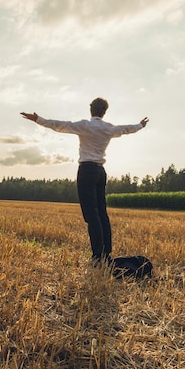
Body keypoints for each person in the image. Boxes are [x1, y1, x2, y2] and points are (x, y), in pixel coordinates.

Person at [20, 98, 149, 264]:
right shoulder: (108, 128)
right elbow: (126, 129)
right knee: (102, 212)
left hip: (87, 170)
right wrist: (140, 125)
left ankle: (97, 256)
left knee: (91, 215)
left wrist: (38, 119)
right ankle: (105, 254)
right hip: (100, 172)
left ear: (91, 109)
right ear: (104, 111)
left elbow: (60, 125)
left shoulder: (85, 126)